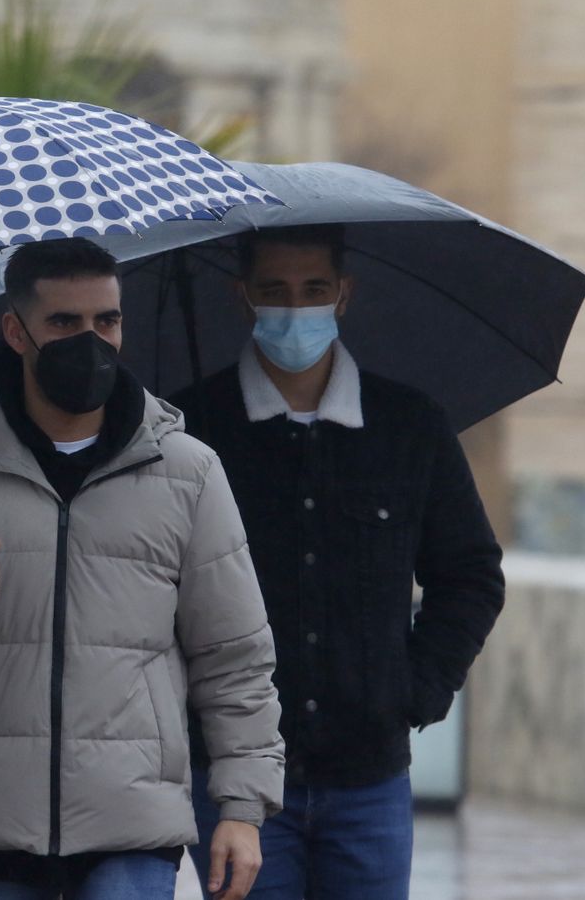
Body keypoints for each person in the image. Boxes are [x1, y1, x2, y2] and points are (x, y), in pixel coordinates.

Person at [0, 238, 285, 900]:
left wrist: (243, 810)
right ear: (16, 331)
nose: (92, 340)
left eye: (107, 320)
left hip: (132, 824)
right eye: (64, 323)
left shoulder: (187, 471)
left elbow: (234, 654)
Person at [172, 225, 507, 900]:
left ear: (344, 294)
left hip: (371, 778)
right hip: (235, 782)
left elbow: (470, 573)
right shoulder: (188, 431)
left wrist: (417, 686)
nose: (295, 308)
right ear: (244, 298)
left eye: (314, 290)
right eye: (275, 291)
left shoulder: (410, 426)